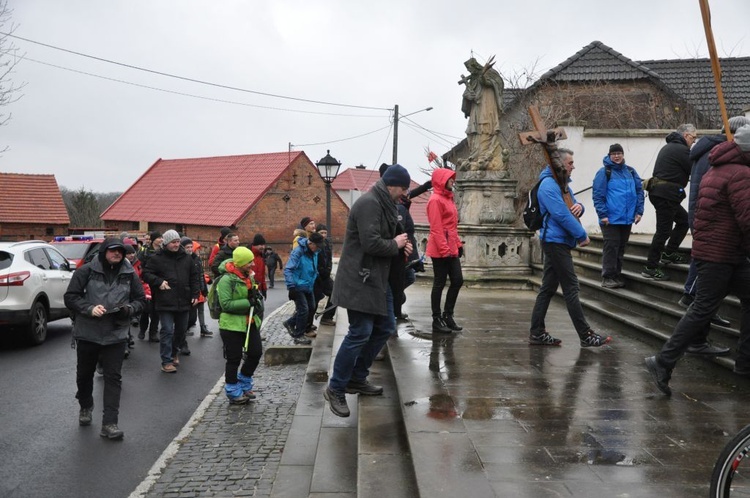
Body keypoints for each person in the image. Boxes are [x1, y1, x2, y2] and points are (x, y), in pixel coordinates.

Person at [645, 124, 750, 395]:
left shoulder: (717, 167)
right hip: (720, 254)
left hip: (722, 252)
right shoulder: (740, 174)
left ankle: (745, 361)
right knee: (702, 308)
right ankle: (663, 361)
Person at [324, 164, 413, 418]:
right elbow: (371, 243)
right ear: (392, 184)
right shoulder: (369, 204)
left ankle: (356, 378)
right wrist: (394, 244)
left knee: (385, 327)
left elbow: (395, 235)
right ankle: (336, 388)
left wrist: (402, 245)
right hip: (358, 279)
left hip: (376, 279)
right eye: (403, 189)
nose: (404, 194)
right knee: (360, 331)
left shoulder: (386, 204)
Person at [529, 148, 612, 348]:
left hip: (560, 241)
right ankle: (585, 335)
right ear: (560, 165)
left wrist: (580, 208)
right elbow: (561, 215)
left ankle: (537, 332)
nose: (573, 166)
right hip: (555, 242)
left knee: (548, 288)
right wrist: (582, 235)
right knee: (571, 288)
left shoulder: (562, 184)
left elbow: (572, 206)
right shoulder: (549, 185)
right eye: (570, 163)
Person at [64, 238, 145, 440]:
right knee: (84, 376)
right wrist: (89, 308)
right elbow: (71, 297)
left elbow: (141, 301)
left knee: (113, 378)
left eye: (120, 251)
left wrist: (129, 310)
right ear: (103, 252)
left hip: (115, 334)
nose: (117, 254)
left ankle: (110, 423)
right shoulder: (86, 271)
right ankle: (85, 404)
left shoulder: (129, 274)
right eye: (113, 250)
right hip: (88, 332)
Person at [679, 116, 750, 331]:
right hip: (716, 227)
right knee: (704, 295)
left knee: (707, 287)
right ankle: (690, 299)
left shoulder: (710, 152)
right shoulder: (724, 160)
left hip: (705, 219)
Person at [642, 124, 697, 281]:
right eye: (693, 138)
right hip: (667, 195)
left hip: (661, 193)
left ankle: (669, 253)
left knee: (683, 221)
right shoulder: (682, 150)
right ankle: (650, 267)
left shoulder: (670, 147)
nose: (693, 142)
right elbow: (694, 169)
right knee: (663, 231)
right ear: (686, 136)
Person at [143, 229, 201, 373]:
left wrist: (195, 294)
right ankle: (166, 361)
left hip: (184, 300)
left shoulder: (187, 258)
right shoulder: (157, 258)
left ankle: (174, 351)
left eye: (177, 242)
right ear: (166, 243)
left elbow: (194, 277)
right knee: (167, 330)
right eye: (173, 242)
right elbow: (146, 274)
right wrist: (158, 281)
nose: (176, 245)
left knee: (181, 331)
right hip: (165, 300)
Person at [592, 143, 644, 288]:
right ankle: (608, 277)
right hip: (610, 219)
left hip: (627, 219)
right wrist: (602, 214)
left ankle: (616, 275)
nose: (616, 156)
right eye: (613, 154)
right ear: (609, 156)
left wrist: (639, 211)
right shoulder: (604, 172)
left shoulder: (631, 172)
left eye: (619, 153)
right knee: (611, 248)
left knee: (620, 248)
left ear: (623, 155)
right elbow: (598, 195)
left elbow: (639, 192)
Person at [216, 246, 264, 405]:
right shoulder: (226, 280)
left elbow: (253, 296)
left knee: (256, 352)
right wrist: (248, 302)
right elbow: (226, 304)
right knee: (233, 358)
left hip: (249, 322)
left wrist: (257, 301)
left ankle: (244, 380)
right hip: (231, 325)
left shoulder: (248, 276)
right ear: (240, 263)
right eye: (248, 262)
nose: (252, 264)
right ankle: (232, 390)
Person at [426, 167, 464, 333]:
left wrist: (458, 245)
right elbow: (437, 228)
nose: (452, 181)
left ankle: (448, 315)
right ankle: (436, 319)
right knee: (439, 283)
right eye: (450, 178)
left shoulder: (448, 198)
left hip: (450, 248)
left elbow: (452, 227)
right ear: (442, 180)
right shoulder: (435, 200)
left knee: (457, 280)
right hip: (440, 250)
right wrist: (444, 250)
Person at [459, 57, 506, 172]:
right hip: (476, 110)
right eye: (468, 70)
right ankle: (476, 158)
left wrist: (484, 79)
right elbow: (468, 95)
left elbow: (498, 84)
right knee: (474, 134)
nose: (470, 72)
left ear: (475, 66)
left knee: (486, 130)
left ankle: (484, 159)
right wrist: (468, 96)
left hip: (487, 106)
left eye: (470, 69)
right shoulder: (473, 79)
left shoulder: (491, 73)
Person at [282, 232, 324, 345]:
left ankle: (290, 323)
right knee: (303, 309)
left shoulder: (315, 252)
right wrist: (291, 286)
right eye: (317, 246)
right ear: (310, 243)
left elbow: (313, 268)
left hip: (308, 285)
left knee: (312, 307)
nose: (318, 249)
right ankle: (298, 335)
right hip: (297, 285)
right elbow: (288, 270)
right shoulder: (298, 252)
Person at [182, 237, 213, 338]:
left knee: (200, 310)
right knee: (189, 314)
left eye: (191, 247)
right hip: (187, 291)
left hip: (198, 289)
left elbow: (201, 275)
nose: (190, 249)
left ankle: (202, 327)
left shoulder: (196, 259)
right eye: (188, 247)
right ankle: (183, 329)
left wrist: (204, 291)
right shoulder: (182, 259)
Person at [138, 231, 163, 342]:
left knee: (156, 311)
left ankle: (153, 333)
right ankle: (142, 330)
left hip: (157, 284)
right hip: (146, 283)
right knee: (146, 309)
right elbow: (139, 266)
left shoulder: (163, 252)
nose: (161, 240)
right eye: (159, 238)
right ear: (153, 240)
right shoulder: (145, 251)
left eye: (161, 238)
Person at [315, 224, 337, 327]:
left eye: (325, 233)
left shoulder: (327, 243)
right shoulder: (315, 244)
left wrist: (328, 269)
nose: (323, 235)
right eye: (321, 233)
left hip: (325, 275)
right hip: (318, 276)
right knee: (314, 300)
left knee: (336, 294)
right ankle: (306, 324)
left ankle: (327, 317)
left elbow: (329, 259)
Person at [250, 234, 268, 300]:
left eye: (264, 245)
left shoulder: (261, 257)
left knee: (260, 309)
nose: (263, 247)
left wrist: (264, 289)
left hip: (259, 289)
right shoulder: (248, 255)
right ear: (255, 245)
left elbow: (262, 275)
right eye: (261, 245)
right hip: (250, 289)